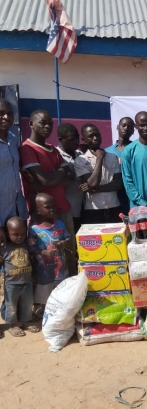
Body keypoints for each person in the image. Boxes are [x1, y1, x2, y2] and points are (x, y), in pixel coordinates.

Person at [19, 109, 77, 276]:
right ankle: (47, 298)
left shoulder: (53, 149)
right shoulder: (27, 149)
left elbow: (71, 177)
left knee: (69, 254)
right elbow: (44, 180)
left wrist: (50, 178)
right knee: (45, 259)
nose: (47, 127)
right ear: (31, 124)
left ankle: (72, 292)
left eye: (50, 124)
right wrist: (59, 172)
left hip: (63, 209)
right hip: (42, 215)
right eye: (42, 123)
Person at [28, 193, 70, 312]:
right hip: (44, 271)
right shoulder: (34, 229)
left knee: (61, 291)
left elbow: (67, 237)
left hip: (60, 267)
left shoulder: (59, 224)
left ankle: (59, 310)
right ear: (38, 210)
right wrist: (44, 252)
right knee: (44, 292)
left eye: (53, 206)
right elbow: (31, 248)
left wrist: (64, 242)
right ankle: (42, 310)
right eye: (47, 207)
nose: (52, 209)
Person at [74, 124, 122, 224]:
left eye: (97, 135)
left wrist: (95, 189)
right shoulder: (80, 161)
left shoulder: (112, 157)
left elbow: (118, 183)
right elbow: (92, 183)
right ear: (84, 140)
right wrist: (99, 158)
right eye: (91, 136)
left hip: (114, 206)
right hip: (93, 209)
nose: (95, 138)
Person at [0, 217, 38, 338]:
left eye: (22, 234)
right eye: (15, 234)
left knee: (27, 303)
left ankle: (25, 321)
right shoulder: (4, 247)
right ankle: (12, 324)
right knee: (11, 305)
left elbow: (31, 260)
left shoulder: (27, 245)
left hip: (27, 281)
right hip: (11, 284)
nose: (19, 237)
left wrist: (34, 274)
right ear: (7, 233)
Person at [0, 99, 28, 247]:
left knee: (18, 261)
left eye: (9, 114)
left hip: (17, 210)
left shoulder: (13, 137)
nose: (6, 117)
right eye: (1, 113)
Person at [57, 123, 83, 233]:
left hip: (82, 208)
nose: (76, 142)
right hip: (66, 210)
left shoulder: (80, 155)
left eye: (77, 138)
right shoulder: (57, 155)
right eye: (72, 139)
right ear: (61, 139)